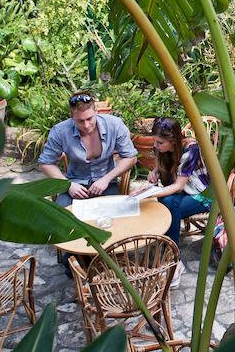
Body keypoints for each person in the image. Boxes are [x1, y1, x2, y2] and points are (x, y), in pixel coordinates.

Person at [37, 91, 138, 207]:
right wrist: (68, 185)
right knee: (59, 218)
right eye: (80, 121)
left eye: (89, 118)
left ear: (96, 111)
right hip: (75, 185)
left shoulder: (114, 125)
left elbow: (130, 157)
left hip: (107, 183)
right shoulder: (60, 131)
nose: (86, 125)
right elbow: (45, 163)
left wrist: (106, 179)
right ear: (71, 116)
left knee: (115, 217)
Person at [144, 117, 211, 247]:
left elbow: (178, 186)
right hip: (184, 190)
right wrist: (154, 172)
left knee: (168, 207)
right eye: (155, 141)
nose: (155, 145)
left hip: (203, 194)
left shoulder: (191, 150)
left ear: (173, 141)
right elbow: (161, 167)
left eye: (159, 143)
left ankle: (171, 249)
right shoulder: (164, 149)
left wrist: (149, 193)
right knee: (166, 202)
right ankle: (169, 244)